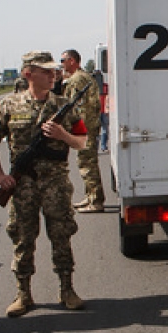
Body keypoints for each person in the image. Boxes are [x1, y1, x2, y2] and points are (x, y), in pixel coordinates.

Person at [0, 51, 88, 317]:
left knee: (61, 235)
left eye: (54, 71)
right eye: (46, 71)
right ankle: (23, 294)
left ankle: (67, 290)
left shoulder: (63, 104)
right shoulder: (9, 105)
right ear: (28, 73)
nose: (53, 75)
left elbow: (83, 142)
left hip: (56, 184)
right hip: (23, 185)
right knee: (23, 238)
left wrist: (63, 135)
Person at [61, 49, 105, 212]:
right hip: (89, 125)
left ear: (72, 60)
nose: (62, 64)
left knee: (87, 163)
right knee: (87, 161)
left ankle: (96, 200)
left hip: (84, 127)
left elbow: (70, 106)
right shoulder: (84, 76)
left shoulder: (76, 79)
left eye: (63, 60)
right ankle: (90, 196)